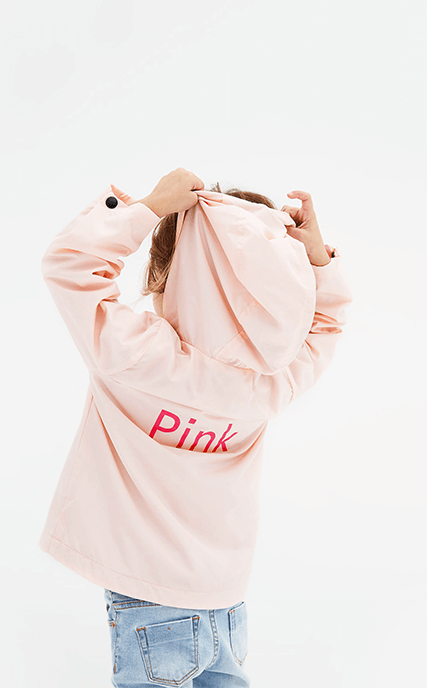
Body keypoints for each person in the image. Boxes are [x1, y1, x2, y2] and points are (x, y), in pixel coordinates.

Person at [39, 168, 353, 687]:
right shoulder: (271, 382)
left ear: (164, 277)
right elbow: (327, 324)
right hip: (226, 600)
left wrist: (146, 207)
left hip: (148, 592)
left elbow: (69, 266)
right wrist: (317, 256)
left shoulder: (135, 357)